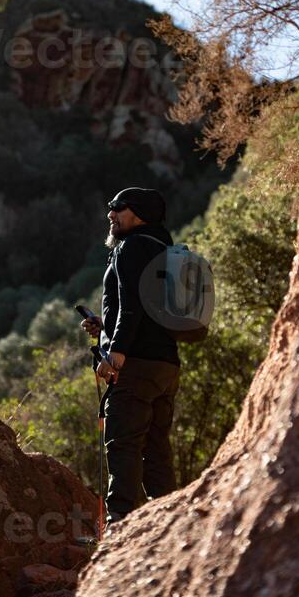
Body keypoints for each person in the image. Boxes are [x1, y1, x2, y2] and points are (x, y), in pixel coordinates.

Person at [80, 187, 180, 526]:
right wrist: (104, 326)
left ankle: (119, 523)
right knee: (156, 446)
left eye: (117, 208)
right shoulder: (163, 246)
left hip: (134, 363)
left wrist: (116, 355)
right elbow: (144, 308)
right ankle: (165, 520)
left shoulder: (131, 246)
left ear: (137, 214)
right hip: (165, 364)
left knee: (122, 441)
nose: (110, 214)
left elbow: (133, 307)